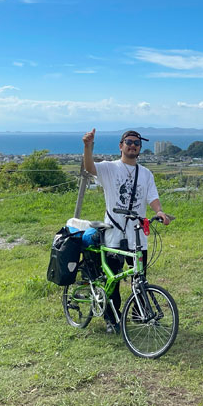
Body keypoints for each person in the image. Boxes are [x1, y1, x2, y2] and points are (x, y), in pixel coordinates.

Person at [82, 128, 171, 333]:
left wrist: (159, 211)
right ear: (121, 145)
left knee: (139, 276)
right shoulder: (110, 168)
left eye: (137, 143)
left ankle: (139, 314)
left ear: (140, 148)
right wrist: (88, 147)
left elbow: (152, 197)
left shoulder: (146, 174)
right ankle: (112, 318)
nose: (133, 145)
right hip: (114, 232)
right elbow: (89, 168)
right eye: (129, 142)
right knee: (113, 277)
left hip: (137, 233)